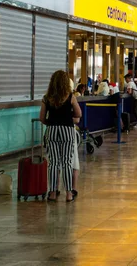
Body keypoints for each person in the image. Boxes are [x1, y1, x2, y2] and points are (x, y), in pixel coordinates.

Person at [40, 70, 82, 202]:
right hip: (67, 131)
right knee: (67, 162)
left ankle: (52, 193)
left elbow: (42, 118)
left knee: (53, 163)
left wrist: (51, 123)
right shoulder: (70, 97)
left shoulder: (47, 98)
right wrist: (68, 119)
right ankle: (69, 194)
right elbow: (78, 114)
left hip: (52, 130)